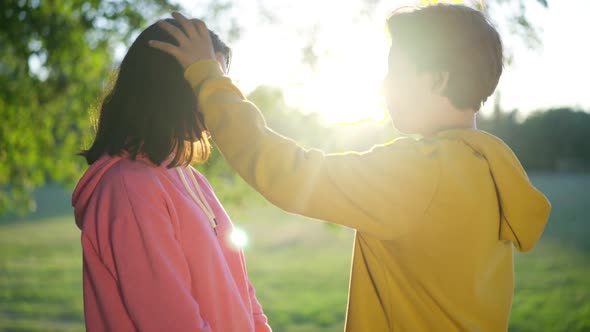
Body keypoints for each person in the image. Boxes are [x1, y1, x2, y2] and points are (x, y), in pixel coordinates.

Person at [151, 5, 551, 331]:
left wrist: (207, 75)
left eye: (396, 71)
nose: (384, 85)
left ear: (437, 79)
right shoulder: (487, 169)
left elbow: (287, 172)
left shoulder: (421, 171)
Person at [72, 18, 271, 332]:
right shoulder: (128, 189)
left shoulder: (189, 177)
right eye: (201, 81)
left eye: (218, 79)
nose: (216, 95)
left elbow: (240, 287)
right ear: (166, 89)